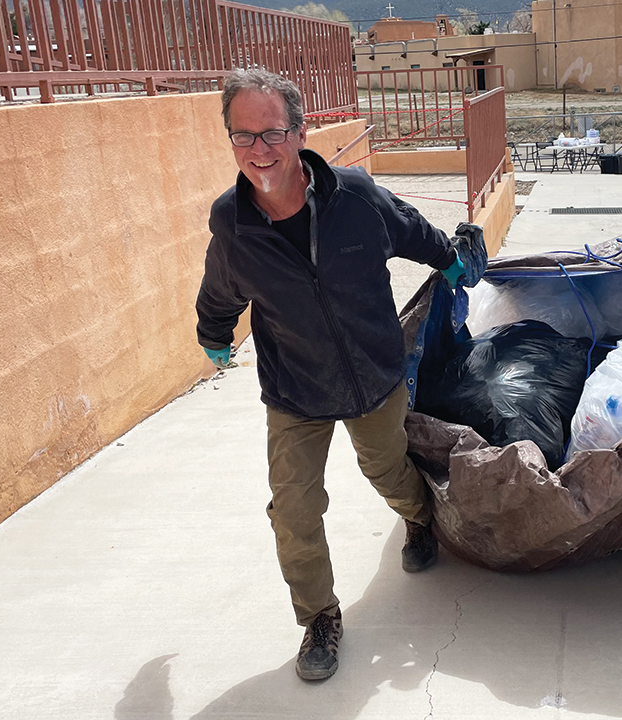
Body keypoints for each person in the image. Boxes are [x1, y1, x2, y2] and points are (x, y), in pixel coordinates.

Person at [195, 68, 466, 682]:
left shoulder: (356, 197)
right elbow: (220, 288)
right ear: (230, 140)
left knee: (387, 470)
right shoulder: (232, 223)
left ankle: (420, 519)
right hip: (295, 389)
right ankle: (319, 617)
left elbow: (412, 229)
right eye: (243, 136)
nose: (259, 150)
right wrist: (214, 336)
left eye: (272, 133)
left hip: (373, 375)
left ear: (299, 133)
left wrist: (449, 261)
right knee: (293, 509)